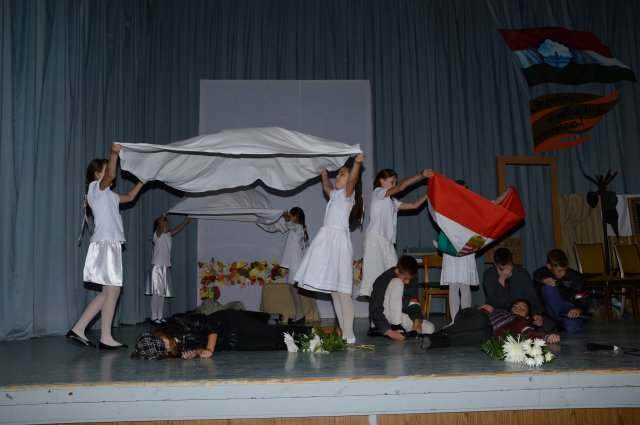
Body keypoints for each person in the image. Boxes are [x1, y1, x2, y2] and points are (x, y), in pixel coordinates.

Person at [66, 143, 144, 350]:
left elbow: (130, 197)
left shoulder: (109, 194)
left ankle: (81, 330)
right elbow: (110, 175)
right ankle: (102, 336)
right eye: (106, 167)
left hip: (110, 244)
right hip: (105, 243)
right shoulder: (96, 188)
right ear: (96, 174)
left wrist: (142, 181)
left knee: (108, 293)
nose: (110, 169)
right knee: (113, 291)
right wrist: (113, 154)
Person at [295, 153, 365, 344]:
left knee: (343, 290)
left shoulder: (349, 195)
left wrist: (357, 164)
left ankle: (349, 333)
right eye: (338, 173)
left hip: (339, 243)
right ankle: (344, 332)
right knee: (334, 291)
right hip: (326, 241)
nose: (338, 177)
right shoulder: (335, 195)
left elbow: (353, 180)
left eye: (342, 174)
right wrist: (323, 170)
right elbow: (326, 184)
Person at [440, 183, 513, 323]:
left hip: (466, 249)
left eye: (465, 190)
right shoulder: (447, 206)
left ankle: (465, 320)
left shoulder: (473, 206)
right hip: (452, 249)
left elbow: (491, 205)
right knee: (453, 287)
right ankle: (454, 321)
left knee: (465, 286)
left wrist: (506, 193)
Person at [358, 168, 433, 298]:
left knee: (395, 274)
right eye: (392, 182)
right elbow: (400, 187)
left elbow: (414, 205)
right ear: (381, 180)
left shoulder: (392, 201)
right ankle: (376, 307)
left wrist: (429, 194)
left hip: (387, 242)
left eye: (395, 182)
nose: (394, 184)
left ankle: (391, 305)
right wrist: (420, 175)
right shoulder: (378, 192)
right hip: (375, 238)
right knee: (375, 276)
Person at [132, 310, 309, 360]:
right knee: (271, 345)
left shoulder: (178, 321)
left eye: (163, 342)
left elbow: (210, 325)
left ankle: (312, 333)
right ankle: (309, 344)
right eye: (163, 350)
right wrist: (196, 352)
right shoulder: (170, 352)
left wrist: (209, 349)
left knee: (270, 332)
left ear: (158, 333)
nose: (167, 347)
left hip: (228, 323)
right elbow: (200, 348)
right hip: (227, 344)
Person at [420, 300, 561, 349]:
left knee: (485, 337)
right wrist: (480, 307)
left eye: (522, 308)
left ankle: (435, 342)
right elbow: (469, 312)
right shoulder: (496, 310)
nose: (518, 308)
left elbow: (528, 333)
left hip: (482, 332)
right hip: (467, 319)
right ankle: (440, 333)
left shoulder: (520, 321)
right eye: (516, 305)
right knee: (483, 319)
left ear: (528, 316)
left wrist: (546, 336)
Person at [368, 255, 435, 341]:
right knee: (398, 282)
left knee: (429, 328)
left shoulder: (411, 278)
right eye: (405, 278)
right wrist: (390, 332)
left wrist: (417, 321)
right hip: (382, 316)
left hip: (399, 315)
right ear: (397, 270)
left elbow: (413, 303)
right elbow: (375, 309)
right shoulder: (383, 279)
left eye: (410, 279)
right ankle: (392, 327)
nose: (407, 282)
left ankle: (397, 329)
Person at [482, 247, 544, 327]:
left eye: (509, 267)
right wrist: (501, 282)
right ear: (495, 264)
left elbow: (532, 298)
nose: (505, 272)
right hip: (498, 314)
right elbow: (495, 303)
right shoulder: (489, 274)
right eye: (501, 269)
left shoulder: (522, 274)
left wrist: (536, 314)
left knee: (523, 323)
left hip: (519, 314)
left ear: (512, 262)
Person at [146, 212, 190, 324]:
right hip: (157, 267)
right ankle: (153, 317)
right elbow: (161, 226)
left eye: (167, 225)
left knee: (162, 294)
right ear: (158, 227)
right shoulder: (157, 235)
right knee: (156, 293)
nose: (167, 227)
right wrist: (163, 217)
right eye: (165, 225)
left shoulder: (168, 235)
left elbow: (176, 229)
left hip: (165, 267)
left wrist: (185, 223)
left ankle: (160, 316)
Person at [533, 249, 587, 333]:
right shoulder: (541, 273)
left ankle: (561, 322)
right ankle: (558, 321)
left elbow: (581, 296)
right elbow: (537, 275)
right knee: (548, 288)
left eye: (565, 269)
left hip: (570, 309)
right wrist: (542, 279)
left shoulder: (576, 277)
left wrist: (578, 308)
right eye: (559, 270)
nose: (563, 273)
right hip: (552, 310)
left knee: (572, 328)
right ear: (549, 266)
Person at [280, 207, 309, 324]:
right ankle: (299, 315)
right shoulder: (299, 228)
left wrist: (286, 218)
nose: (290, 217)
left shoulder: (298, 228)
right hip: (295, 263)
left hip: (296, 263)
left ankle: (300, 316)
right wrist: (287, 218)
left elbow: (290, 225)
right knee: (293, 289)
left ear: (296, 217)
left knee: (293, 289)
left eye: (292, 215)